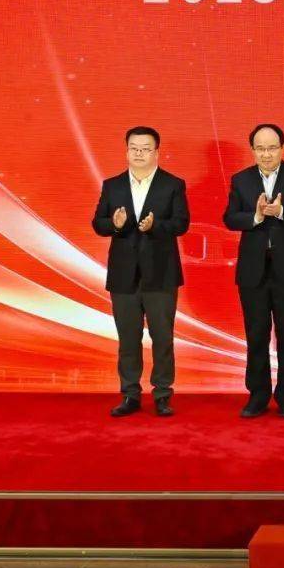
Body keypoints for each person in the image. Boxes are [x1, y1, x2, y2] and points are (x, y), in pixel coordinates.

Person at [92, 126, 189, 417]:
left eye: (146, 149)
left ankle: (162, 395)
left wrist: (155, 226)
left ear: (156, 152)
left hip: (161, 273)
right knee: (128, 339)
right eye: (134, 148)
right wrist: (115, 224)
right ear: (126, 151)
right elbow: (98, 223)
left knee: (163, 338)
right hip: (123, 275)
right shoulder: (112, 185)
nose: (139, 154)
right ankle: (130, 394)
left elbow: (182, 223)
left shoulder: (172, 184)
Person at [223, 124, 284, 419]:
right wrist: (256, 216)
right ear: (253, 150)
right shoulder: (241, 179)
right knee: (256, 335)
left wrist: (282, 212)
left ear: (282, 148)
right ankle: (258, 396)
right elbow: (230, 218)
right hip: (253, 271)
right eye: (260, 149)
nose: (266, 154)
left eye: (272, 148)